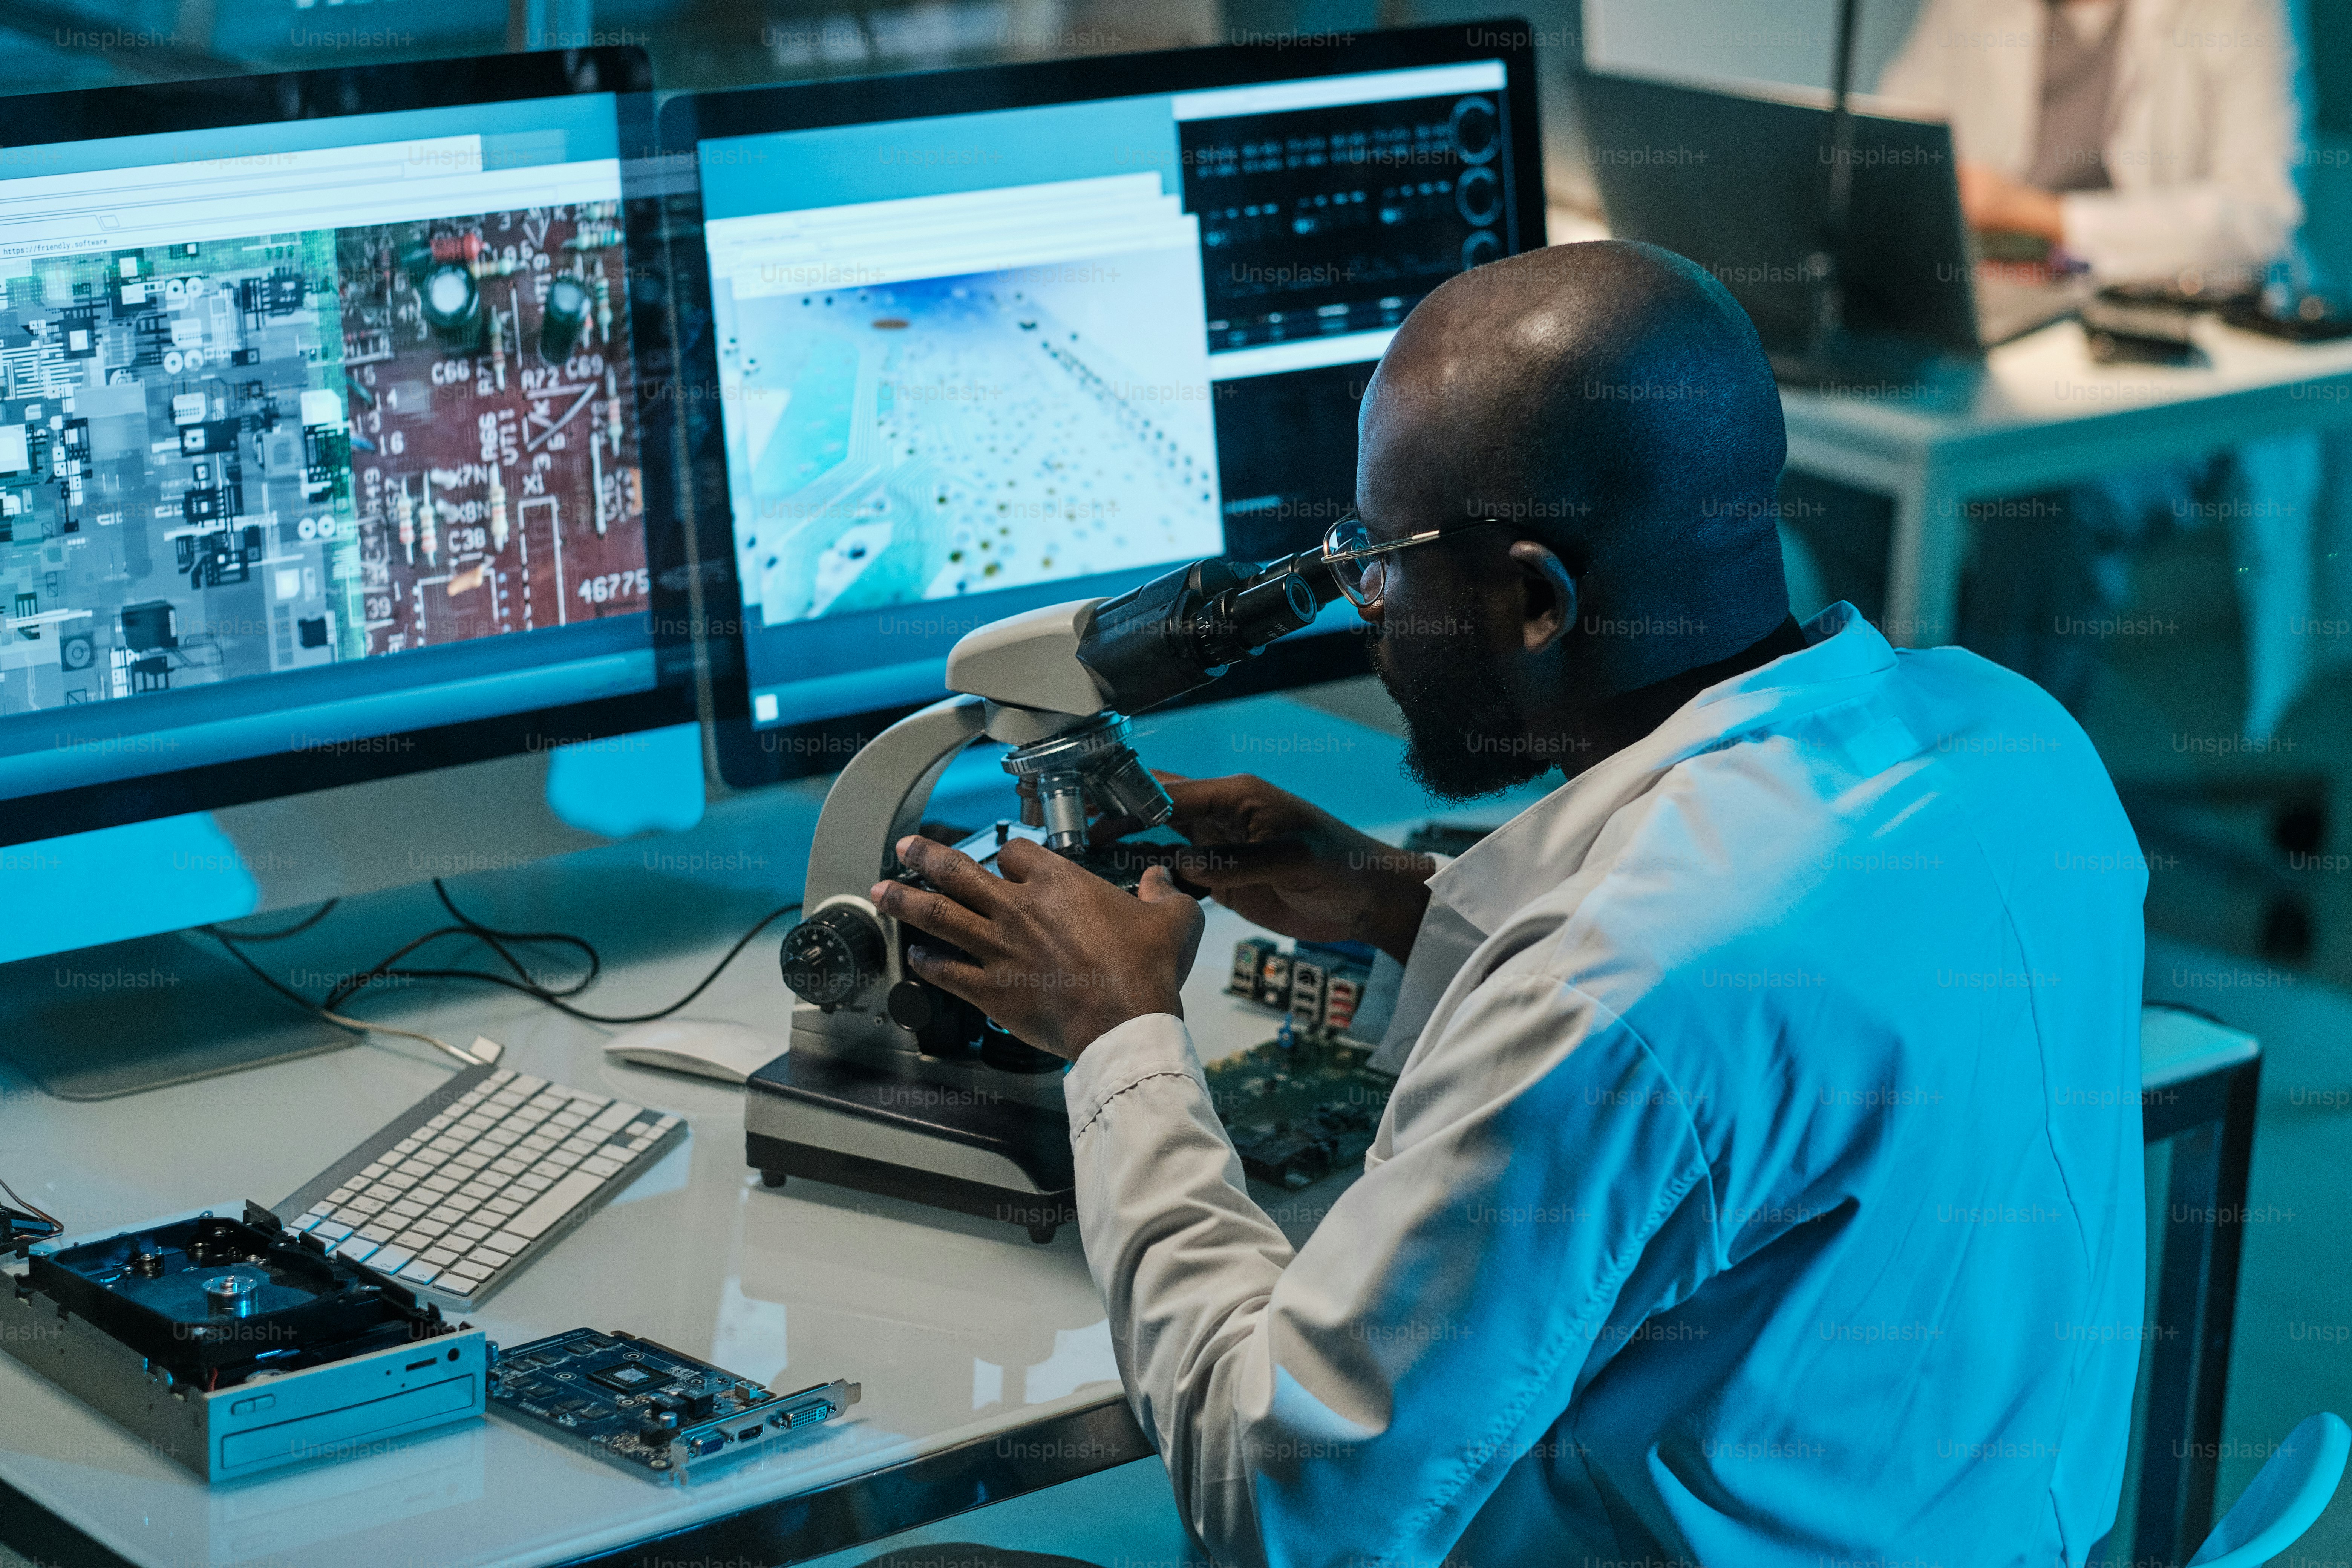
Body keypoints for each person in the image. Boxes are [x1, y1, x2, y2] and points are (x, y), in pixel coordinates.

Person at [876, 241, 2149, 1565]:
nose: (1362, 604)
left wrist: (1120, 1034)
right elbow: (1741, 1092)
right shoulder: (2016, 743)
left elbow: (1277, 1506)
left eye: (1377, 558)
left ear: (1536, 601)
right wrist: (1393, 905)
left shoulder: (1625, 985)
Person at [1867, 0, 2321, 732]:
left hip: (2180, 365)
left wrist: (2044, 216)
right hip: (2003, 312)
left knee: (2041, 496)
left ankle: (2017, 795)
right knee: (1840, 477)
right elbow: (1891, 145)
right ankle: (1893, 759)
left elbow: (2260, 215)